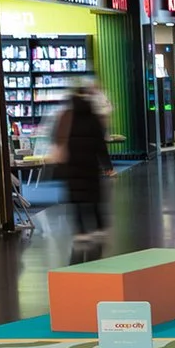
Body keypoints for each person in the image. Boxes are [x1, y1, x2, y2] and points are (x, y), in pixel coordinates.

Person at [52, 78, 113, 246]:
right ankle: (99, 226)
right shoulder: (93, 117)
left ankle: (81, 230)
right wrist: (107, 165)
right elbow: (100, 144)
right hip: (90, 164)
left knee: (77, 198)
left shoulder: (66, 116)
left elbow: (57, 138)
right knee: (94, 196)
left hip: (72, 165)